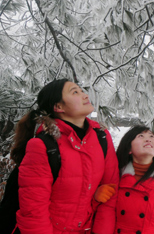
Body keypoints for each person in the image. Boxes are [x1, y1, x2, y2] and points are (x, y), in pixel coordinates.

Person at [10, 78, 119, 234]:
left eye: (82, 90)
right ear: (58, 106)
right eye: (75, 92)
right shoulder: (43, 146)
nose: (85, 95)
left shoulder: (102, 137)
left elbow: (110, 194)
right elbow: (34, 211)